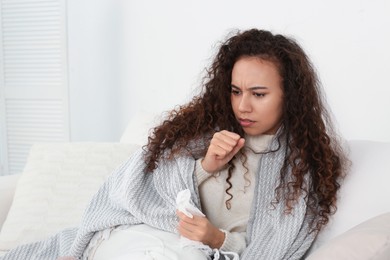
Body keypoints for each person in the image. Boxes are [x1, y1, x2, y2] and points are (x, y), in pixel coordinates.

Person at [0, 28, 347, 260]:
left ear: (291, 97)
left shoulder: (301, 171)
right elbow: (139, 186)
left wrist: (216, 239)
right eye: (235, 91)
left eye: (259, 94)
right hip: (142, 237)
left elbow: (275, 249)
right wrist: (204, 167)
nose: (242, 106)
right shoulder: (203, 133)